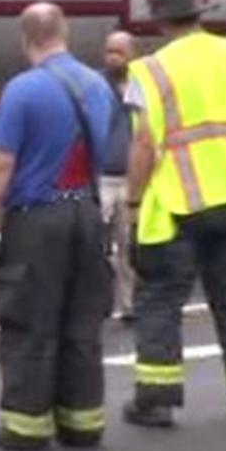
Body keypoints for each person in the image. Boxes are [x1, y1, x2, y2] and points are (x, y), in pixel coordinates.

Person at [121, 0, 226, 427]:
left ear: (159, 22)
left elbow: (144, 144)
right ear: (199, 13)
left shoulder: (151, 70)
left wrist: (132, 203)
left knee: (160, 301)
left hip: (175, 205)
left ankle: (157, 401)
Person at [0, 2, 115, 451]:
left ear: (25, 39)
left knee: (30, 322)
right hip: (87, 213)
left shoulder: (23, 90)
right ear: (64, 32)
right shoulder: (98, 85)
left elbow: (1, 164)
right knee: (82, 321)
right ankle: (83, 423)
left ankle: (27, 426)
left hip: (39, 219)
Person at [101, 30, 138, 321]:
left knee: (129, 244)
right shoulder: (96, 86)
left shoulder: (143, 86)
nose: (113, 58)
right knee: (93, 243)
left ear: (132, 54)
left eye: (119, 52)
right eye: (109, 52)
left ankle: (130, 303)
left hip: (131, 177)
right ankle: (97, 302)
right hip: (101, 176)